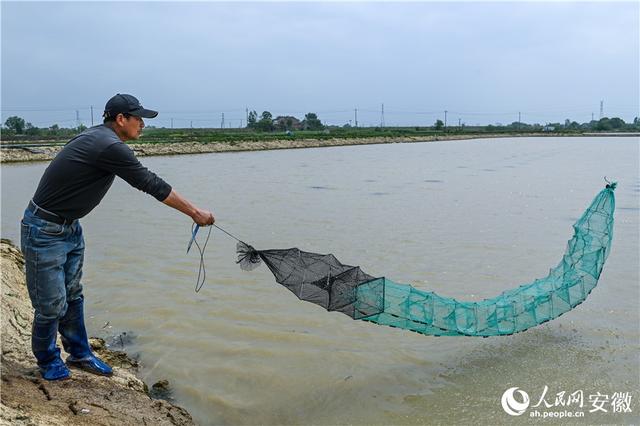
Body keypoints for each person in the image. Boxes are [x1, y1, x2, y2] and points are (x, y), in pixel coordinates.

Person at [20, 93, 214, 381]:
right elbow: (150, 183)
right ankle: (49, 362)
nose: (143, 125)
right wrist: (195, 212)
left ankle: (80, 353)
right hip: (44, 229)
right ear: (120, 119)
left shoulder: (103, 139)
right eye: (139, 119)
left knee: (73, 295)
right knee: (50, 304)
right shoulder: (108, 145)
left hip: (70, 227)